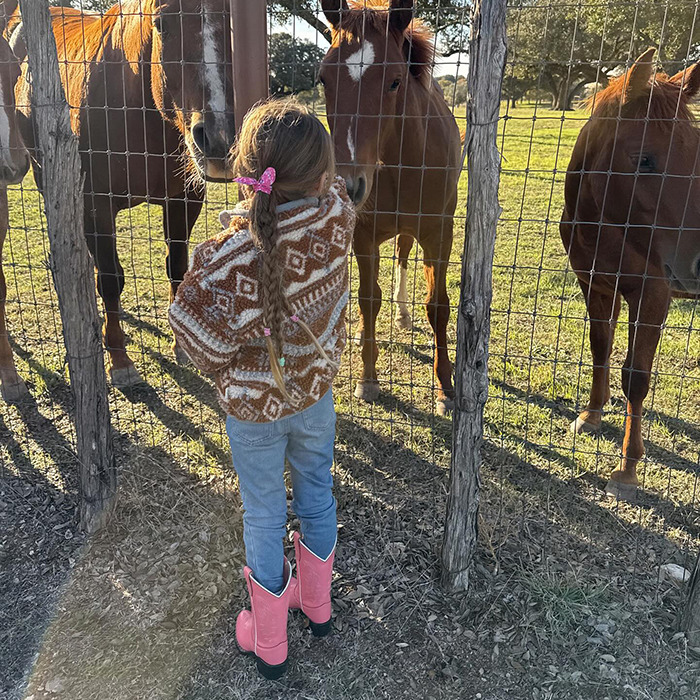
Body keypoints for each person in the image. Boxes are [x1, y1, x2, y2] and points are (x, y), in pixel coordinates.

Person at [169, 99, 355, 680]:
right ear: (322, 177)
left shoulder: (225, 262)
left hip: (253, 414)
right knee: (317, 495)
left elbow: (195, 342)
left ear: (243, 170)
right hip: (316, 399)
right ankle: (317, 606)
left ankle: (268, 638)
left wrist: (233, 358)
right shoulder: (338, 217)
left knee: (265, 513)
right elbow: (332, 198)